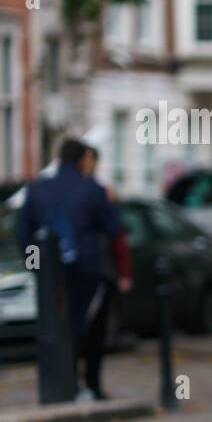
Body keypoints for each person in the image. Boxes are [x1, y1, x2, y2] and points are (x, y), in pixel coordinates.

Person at [17, 137, 122, 397]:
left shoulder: (38, 189)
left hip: (52, 272)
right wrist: (114, 203)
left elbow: (24, 236)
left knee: (55, 328)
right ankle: (81, 385)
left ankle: (64, 384)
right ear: (82, 159)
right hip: (85, 269)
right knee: (82, 328)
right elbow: (112, 227)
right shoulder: (93, 189)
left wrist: (37, 269)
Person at [80, 145, 132, 400]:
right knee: (89, 332)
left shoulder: (101, 194)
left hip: (99, 272)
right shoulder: (98, 195)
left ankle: (90, 383)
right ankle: (87, 383)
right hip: (91, 273)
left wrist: (123, 272)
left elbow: (117, 237)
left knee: (95, 333)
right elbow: (116, 234)